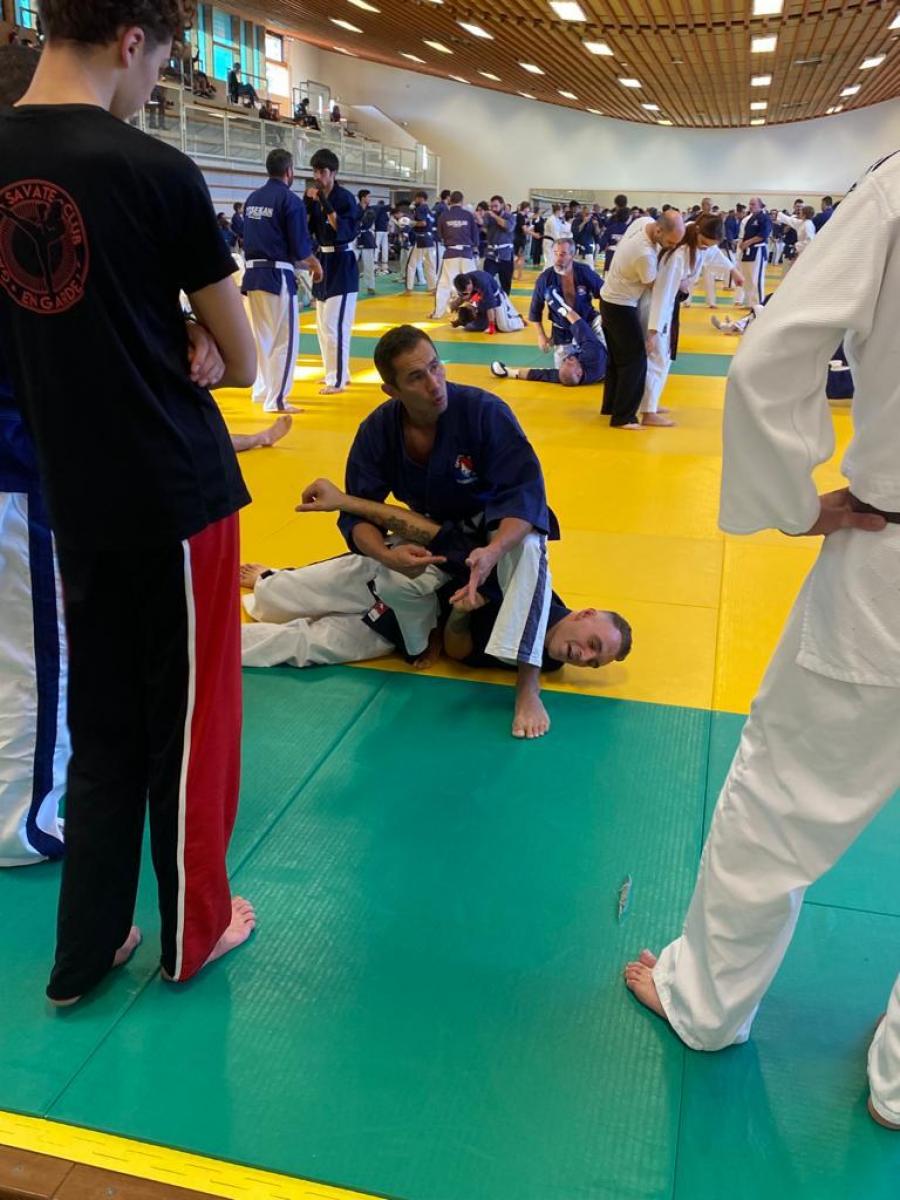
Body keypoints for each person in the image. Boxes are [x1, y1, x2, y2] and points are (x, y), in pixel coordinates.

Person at [624, 151, 900, 1132]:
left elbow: (770, 358)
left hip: (889, 561)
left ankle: (707, 1004)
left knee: (783, 802)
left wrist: (791, 500)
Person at [0, 0, 260, 1002]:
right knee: (193, 724)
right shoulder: (153, 169)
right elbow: (242, 357)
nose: (153, 89)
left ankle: (85, 950)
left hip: (73, 487)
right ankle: (196, 932)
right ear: (132, 41)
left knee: (102, 724)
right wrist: (190, 337)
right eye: (158, 68)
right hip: (177, 490)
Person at [335, 324, 564, 739]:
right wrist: (386, 555)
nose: (434, 383)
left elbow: (525, 497)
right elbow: (357, 510)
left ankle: (528, 683)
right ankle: (424, 639)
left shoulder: (484, 412)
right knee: (388, 579)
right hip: (435, 535)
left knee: (531, 547)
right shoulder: (378, 430)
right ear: (391, 391)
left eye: (435, 366)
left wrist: (494, 550)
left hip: (495, 531)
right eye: (416, 377)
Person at [241, 479, 632, 689]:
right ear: (585, 614)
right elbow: (446, 542)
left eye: (592, 662)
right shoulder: (526, 573)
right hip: (398, 571)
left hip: (404, 629)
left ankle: (218, 648)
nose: (583, 656)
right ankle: (268, 579)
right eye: (592, 644)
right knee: (276, 596)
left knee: (307, 647)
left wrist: (460, 617)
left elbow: (461, 654)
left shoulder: (544, 662)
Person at [638, 214, 741, 427]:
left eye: (709, 245)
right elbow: (662, 294)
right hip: (658, 307)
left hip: (668, 305)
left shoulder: (697, 244)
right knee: (657, 357)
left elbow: (714, 254)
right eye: (704, 243)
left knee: (664, 357)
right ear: (697, 233)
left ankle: (651, 403)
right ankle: (648, 411)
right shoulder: (678, 256)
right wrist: (653, 331)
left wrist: (733, 270)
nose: (705, 248)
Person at [241, 149, 322, 414]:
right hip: (277, 277)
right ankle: (277, 399)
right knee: (285, 340)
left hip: (253, 275)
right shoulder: (289, 200)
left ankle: (262, 390)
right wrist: (315, 263)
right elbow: (300, 246)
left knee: (262, 337)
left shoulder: (252, 199)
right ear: (289, 171)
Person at [599, 210, 684, 429]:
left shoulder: (644, 222)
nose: (672, 247)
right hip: (620, 307)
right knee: (634, 361)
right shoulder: (644, 255)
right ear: (659, 231)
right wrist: (679, 284)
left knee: (617, 360)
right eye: (670, 242)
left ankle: (611, 406)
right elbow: (656, 288)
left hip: (609, 299)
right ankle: (624, 417)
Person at [306, 148, 360, 394]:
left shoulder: (345, 198)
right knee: (321, 326)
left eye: (322, 172)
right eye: (315, 172)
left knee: (334, 326)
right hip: (323, 261)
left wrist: (323, 202)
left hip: (342, 262)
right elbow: (307, 228)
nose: (318, 176)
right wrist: (308, 203)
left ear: (333, 172)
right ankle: (335, 371)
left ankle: (337, 380)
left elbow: (342, 228)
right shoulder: (315, 198)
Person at [529, 238, 604, 367]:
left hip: (588, 323)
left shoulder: (584, 271)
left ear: (572, 255)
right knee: (565, 372)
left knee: (600, 361)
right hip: (562, 330)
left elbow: (605, 294)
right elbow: (535, 309)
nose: (558, 258)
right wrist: (541, 335)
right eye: (555, 253)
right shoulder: (545, 278)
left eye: (563, 254)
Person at [491, 304, 606, 387]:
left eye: (565, 361)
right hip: (604, 344)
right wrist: (563, 308)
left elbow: (540, 375)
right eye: (570, 361)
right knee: (596, 321)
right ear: (579, 372)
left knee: (572, 341)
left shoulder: (569, 374)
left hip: (594, 354)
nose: (568, 358)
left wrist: (510, 372)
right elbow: (580, 326)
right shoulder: (593, 356)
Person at [433, 191, 479, 318]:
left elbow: (439, 235)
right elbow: (475, 236)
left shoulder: (444, 215)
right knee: (473, 283)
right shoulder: (468, 215)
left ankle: (438, 313)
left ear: (450, 201)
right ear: (462, 201)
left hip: (451, 252)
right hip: (467, 253)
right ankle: (476, 310)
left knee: (445, 283)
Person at [449, 270, 524, 333]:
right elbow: (462, 298)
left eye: (469, 290)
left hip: (496, 297)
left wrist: (491, 325)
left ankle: (518, 321)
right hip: (481, 301)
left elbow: (489, 307)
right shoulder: (462, 284)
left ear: (470, 281)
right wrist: (455, 304)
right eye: (465, 292)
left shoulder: (482, 282)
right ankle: (501, 318)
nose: (468, 292)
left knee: (504, 327)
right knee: (478, 325)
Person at [737, 196, 772, 309]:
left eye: (753, 204)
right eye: (750, 204)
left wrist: (748, 242)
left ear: (760, 205)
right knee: (747, 278)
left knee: (756, 279)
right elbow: (746, 234)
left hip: (758, 251)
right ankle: (749, 303)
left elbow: (763, 235)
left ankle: (759, 305)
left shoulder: (764, 218)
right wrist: (742, 244)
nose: (750, 206)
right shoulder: (750, 218)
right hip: (747, 252)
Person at [405, 189, 437, 293]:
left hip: (421, 239)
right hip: (430, 238)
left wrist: (411, 223)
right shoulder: (429, 209)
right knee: (429, 264)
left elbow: (423, 223)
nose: (415, 200)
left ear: (421, 198)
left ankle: (409, 288)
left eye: (416, 198)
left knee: (411, 264)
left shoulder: (421, 208)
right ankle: (432, 287)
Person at [483, 195, 516, 295]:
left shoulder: (509, 216)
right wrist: (478, 216)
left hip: (505, 255)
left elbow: (508, 227)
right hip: (491, 254)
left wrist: (494, 216)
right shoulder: (488, 217)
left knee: (506, 283)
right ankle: (487, 300)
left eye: (496, 206)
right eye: (492, 206)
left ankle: (505, 302)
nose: (493, 209)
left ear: (502, 205)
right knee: (485, 280)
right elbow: (483, 225)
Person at [776, 204, 816, 269]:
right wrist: (779, 214)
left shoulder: (808, 225)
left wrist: (796, 247)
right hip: (798, 250)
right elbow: (791, 220)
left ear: (804, 214)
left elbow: (810, 240)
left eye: (801, 212)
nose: (799, 213)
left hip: (803, 251)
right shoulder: (803, 222)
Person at [597, 205, 631, 273]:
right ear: (628, 218)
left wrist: (601, 250)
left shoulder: (611, 228)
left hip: (610, 255)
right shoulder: (630, 230)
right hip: (624, 257)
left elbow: (602, 243)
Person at [356, 189, 377, 295]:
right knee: (351, 264)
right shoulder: (354, 208)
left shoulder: (371, 210)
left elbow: (369, 222)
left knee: (369, 264)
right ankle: (352, 286)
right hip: (355, 237)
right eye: (368, 197)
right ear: (363, 198)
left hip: (367, 238)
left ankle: (370, 286)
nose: (370, 199)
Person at [373, 197, 390, 273]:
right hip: (385, 231)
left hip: (378, 231)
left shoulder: (377, 211)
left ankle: (375, 263)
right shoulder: (385, 212)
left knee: (376, 247)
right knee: (385, 247)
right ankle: (384, 264)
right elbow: (387, 221)